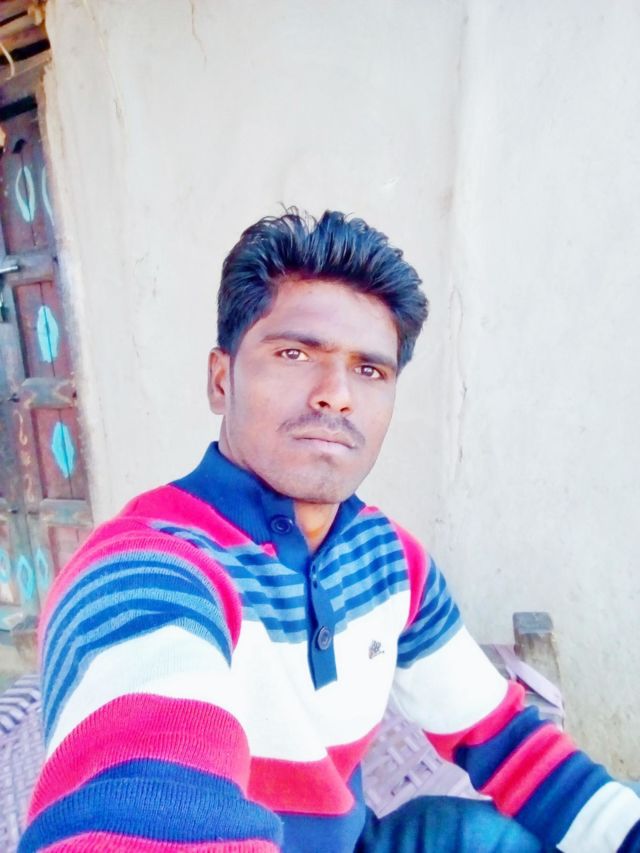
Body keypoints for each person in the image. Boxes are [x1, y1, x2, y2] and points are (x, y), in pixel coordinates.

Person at [20, 211, 640, 852]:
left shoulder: (390, 561)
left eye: (370, 370)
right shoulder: (144, 569)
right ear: (221, 379)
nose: (336, 394)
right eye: (294, 354)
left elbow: (506, 741)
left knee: (485, 833)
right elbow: (142, 801)